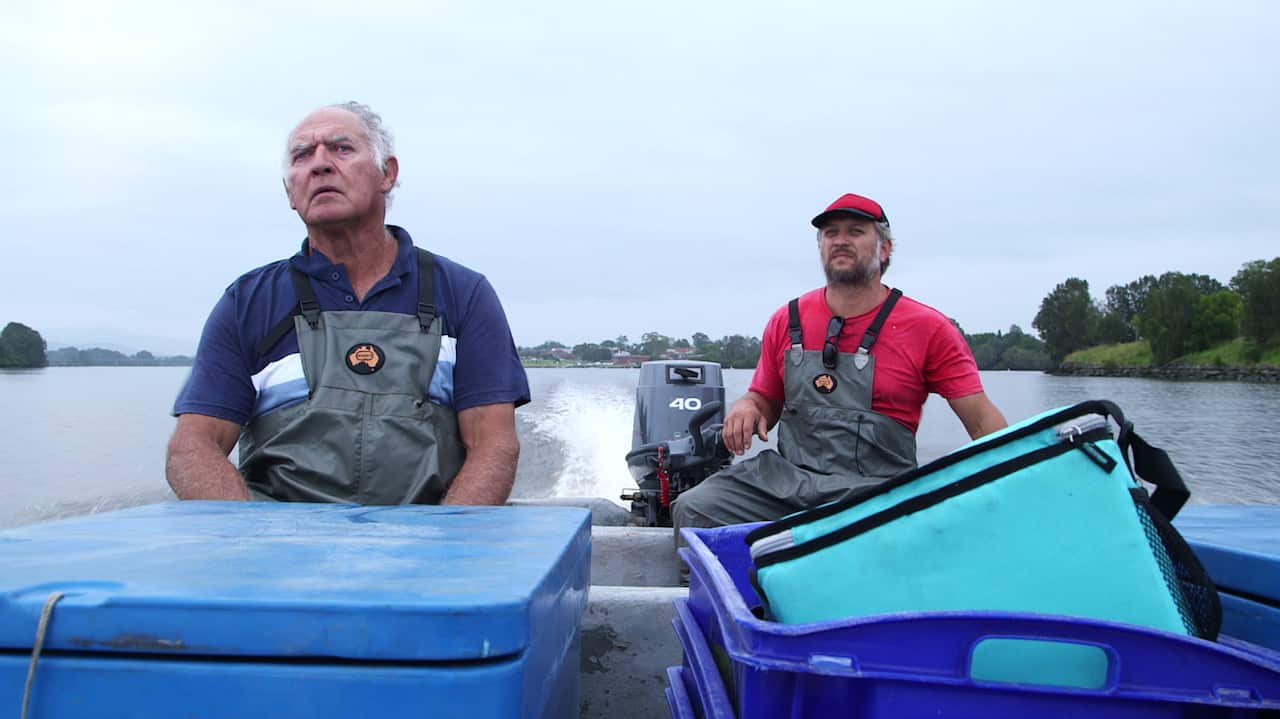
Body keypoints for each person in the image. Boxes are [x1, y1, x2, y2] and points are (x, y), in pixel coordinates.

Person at [166, 102, 529, 505]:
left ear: (387, 174)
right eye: (302, 155)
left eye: (341, 148)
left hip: (425, 549)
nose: (319, 165)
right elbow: (194, 446)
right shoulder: (247, 302)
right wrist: (250, 542)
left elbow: (494, 443)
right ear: (290, 192)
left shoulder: (463, 294)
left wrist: (446, 549)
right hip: (281, 551)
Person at [672, 192, 1007, 538]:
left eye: (855, 232)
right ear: (820, 247)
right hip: (788, 481)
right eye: (831, 233)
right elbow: (764, 400)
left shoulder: (929, 328)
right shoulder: (786, 320)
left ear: (884, 249)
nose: (841, 241)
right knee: (695, 508)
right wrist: (746, 407)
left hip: (876, 490)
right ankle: (727, 591)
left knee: (886, 532)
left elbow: (981, 422)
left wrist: (1015, 487)